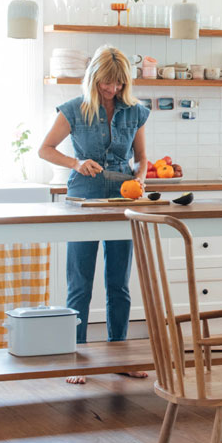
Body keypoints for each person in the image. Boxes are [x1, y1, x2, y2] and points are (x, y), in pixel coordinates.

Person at [38, 45, 150, 384]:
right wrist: (75, 162)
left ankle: (120, 356)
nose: (111, 90)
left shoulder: (135, 111)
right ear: (93, 79)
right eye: (106, 83)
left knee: (119, 282)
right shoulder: (73, 110)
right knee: (80, 281)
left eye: (118, 84)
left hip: (123, 197)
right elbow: (45, 149)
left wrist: (141, 180)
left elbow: (143, 159)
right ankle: (78, 357)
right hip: (83, 195)